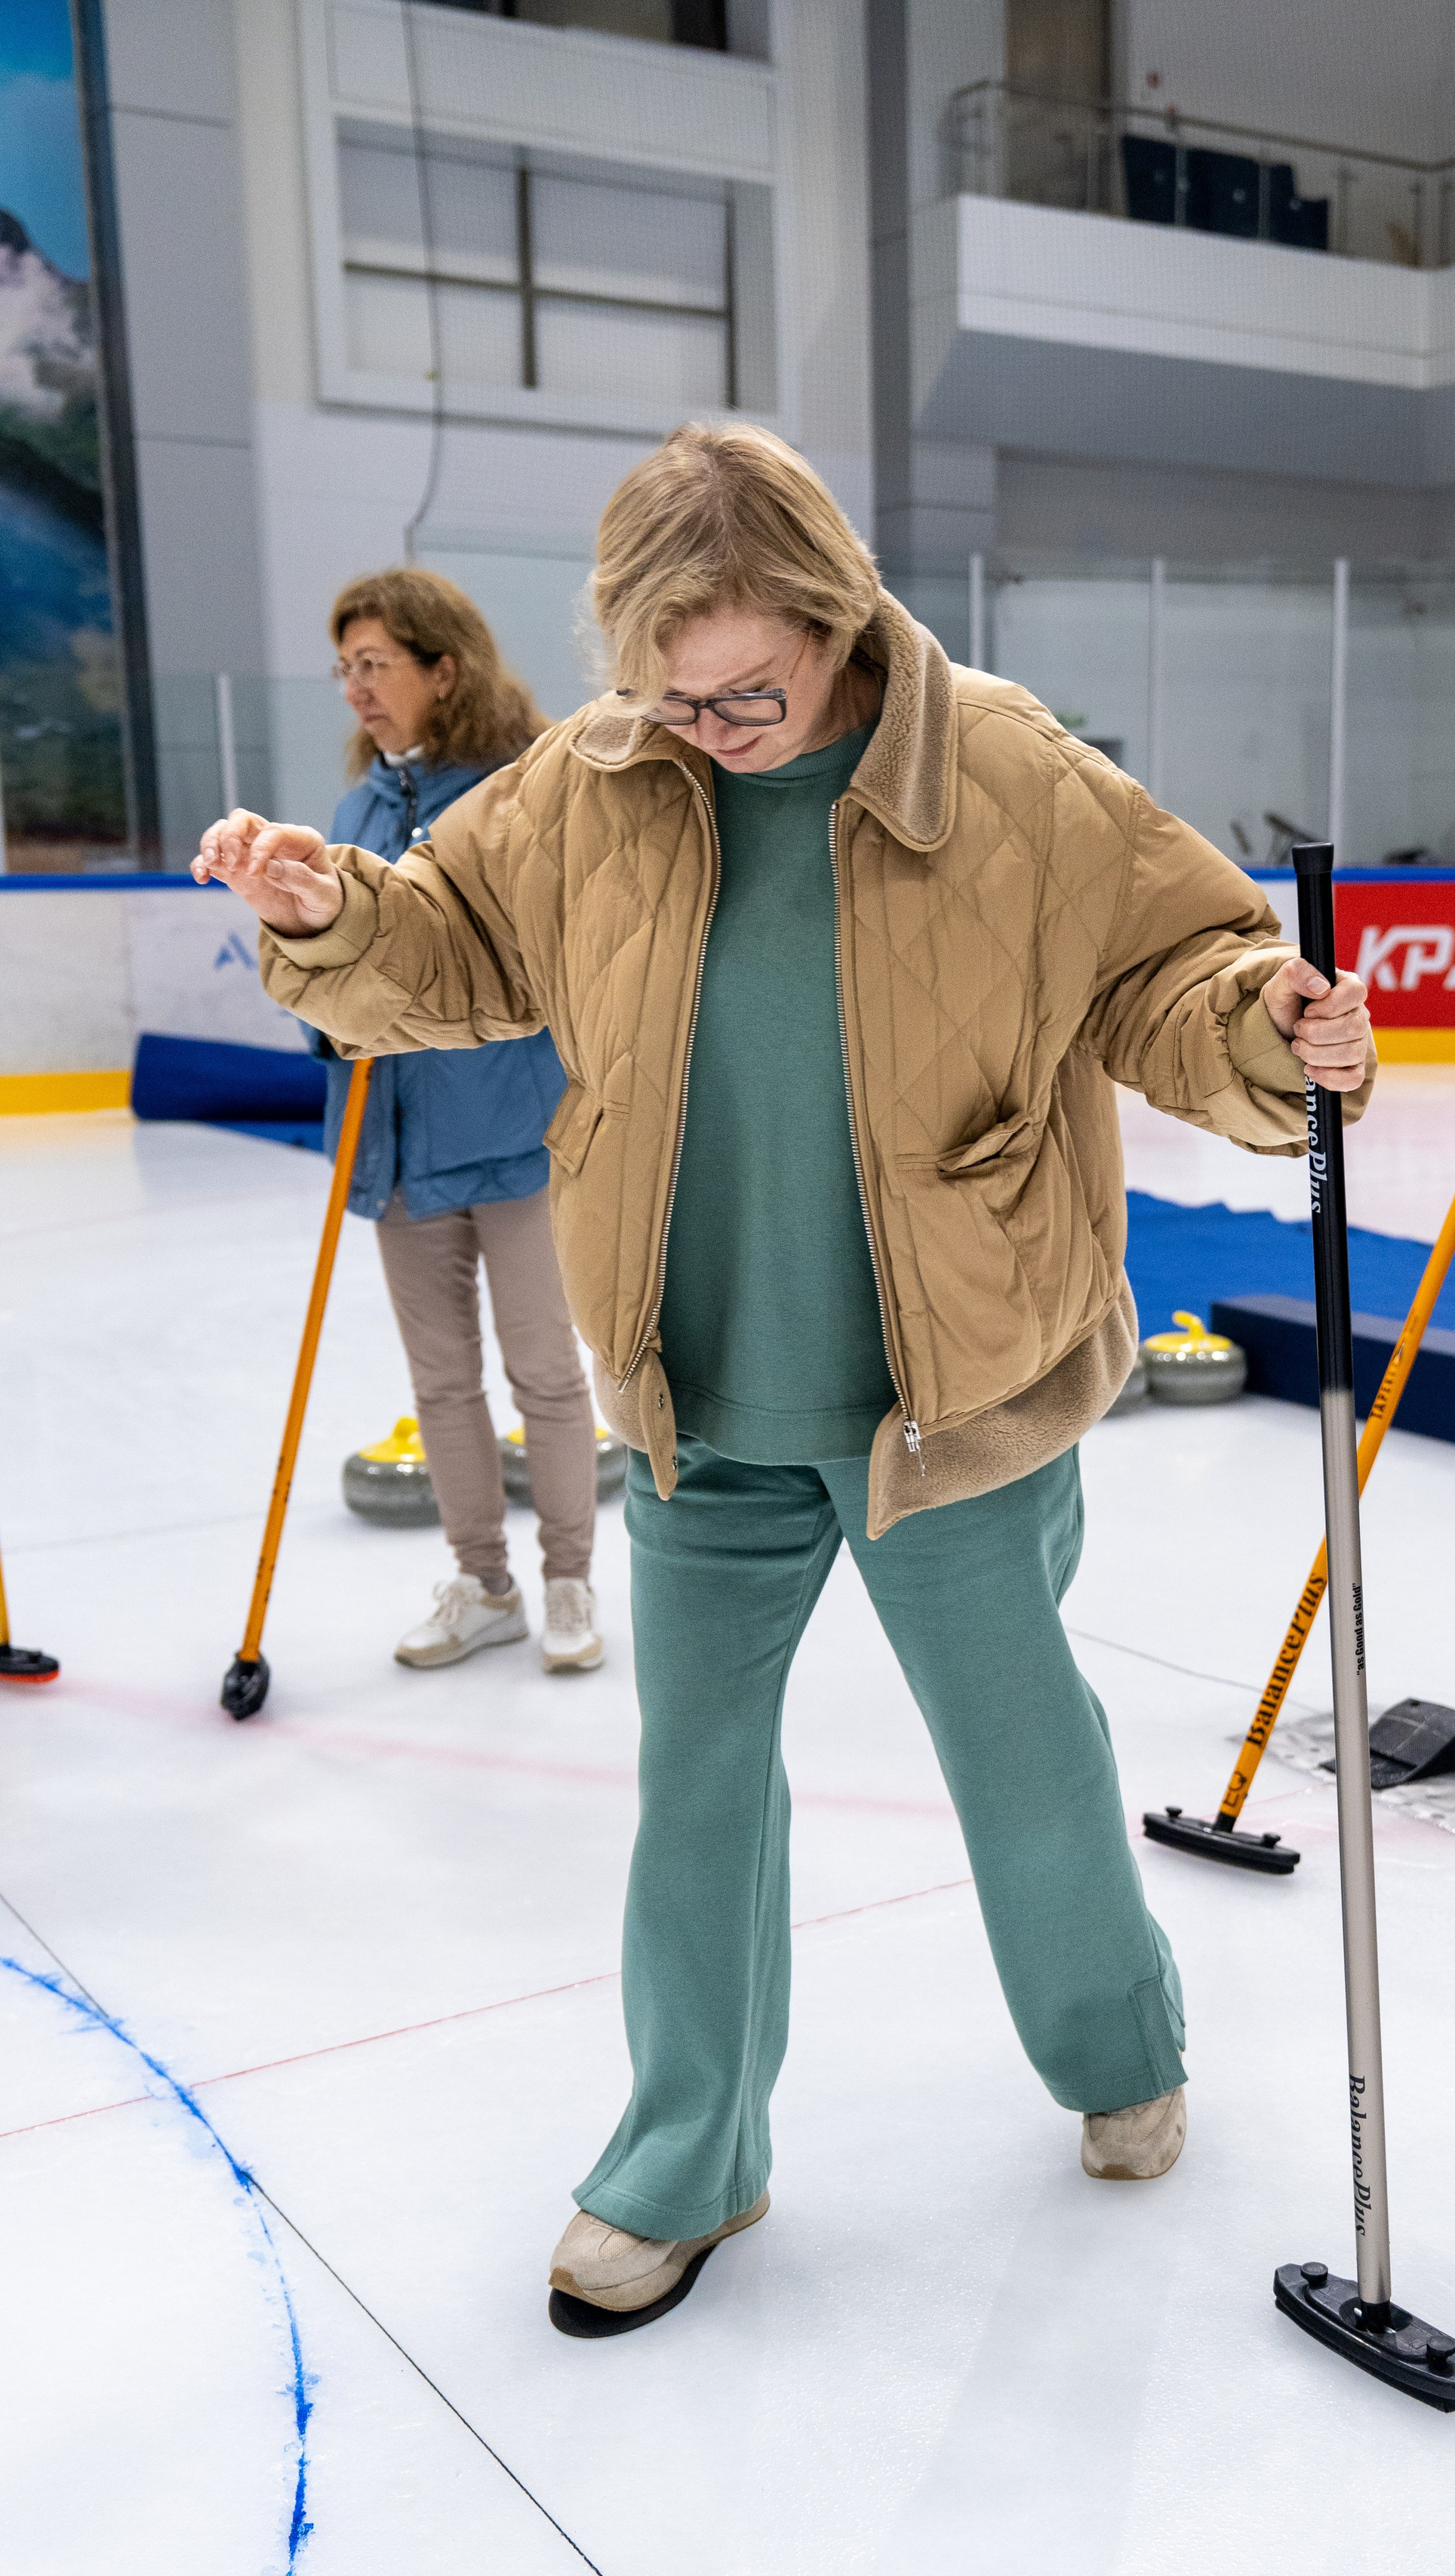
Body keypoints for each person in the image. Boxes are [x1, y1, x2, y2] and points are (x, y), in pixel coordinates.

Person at [195, 423, 1374, 2334]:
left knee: (1021, 1763)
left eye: (750, 691)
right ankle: (687, 2155)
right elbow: (449, 943)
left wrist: (1266, 1026)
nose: (714, 728)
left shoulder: (1004, 766)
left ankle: (1115, 2046)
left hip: (955, 1388)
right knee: (697, 1786)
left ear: (836, 622)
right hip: (697, 1386)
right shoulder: (595, 779)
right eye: (675, 696)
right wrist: (327, 912)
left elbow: (1173, 969)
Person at [319, 569, 602, 1676]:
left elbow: (557, 962)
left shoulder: (521, 795)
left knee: (547, 1371)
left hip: (514, 1136)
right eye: (345, 668)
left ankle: (570, 1578)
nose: (356, 689)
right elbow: (327, 970)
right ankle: (484, 1583)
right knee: (440, 1383)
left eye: (374, 664)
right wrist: (324, 1015)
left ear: (445, 668)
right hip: (397, 1150)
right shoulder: (358, 810)